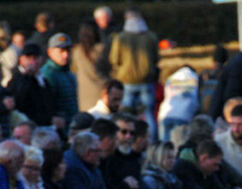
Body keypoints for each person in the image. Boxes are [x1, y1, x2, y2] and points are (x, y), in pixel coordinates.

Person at [108, 8, 160, 140]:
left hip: (126, 80)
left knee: (125, 115)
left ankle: (124, 139)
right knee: (148, 113)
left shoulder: (120, 38)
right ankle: (150, 139)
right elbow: (157, 58)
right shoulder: (150, 37)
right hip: (146, 80)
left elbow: (114, 59)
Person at [8, 43, 60, 129]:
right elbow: (19, 101)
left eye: (35, 58)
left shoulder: (43, 81)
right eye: (28, 58)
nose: (32, 62)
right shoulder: (16, 79)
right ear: (21, 60)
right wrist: (26, 77)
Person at [41, 34, 78, 129]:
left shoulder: (68, 72)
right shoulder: (48, 74)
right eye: (61, 51)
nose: (66, 55)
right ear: (50, 52)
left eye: (68, 50)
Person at [71, 22, 108, 114]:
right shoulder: (102, 49)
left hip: (84, 95)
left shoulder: (77, 51)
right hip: (103, 93)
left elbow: (73, 70)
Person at [158, 66, 200, 140]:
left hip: (166, 113)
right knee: (179, 142)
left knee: (164, 143)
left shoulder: (172, 78)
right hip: (183, 115)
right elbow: (195, 99)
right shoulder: (194, 78)